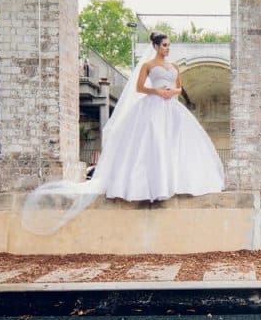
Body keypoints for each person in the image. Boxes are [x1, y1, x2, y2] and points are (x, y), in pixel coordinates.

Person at [23, 32, 225, 233]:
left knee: (173, 143)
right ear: (155, 46)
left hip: (171, 107)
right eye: (164, 45)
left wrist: (172, 92)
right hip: (153, 106)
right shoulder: (148, 66)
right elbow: (139, 87)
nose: (167, 48)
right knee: (153, 142)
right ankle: (151, 187)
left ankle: (173, 184)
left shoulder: (174, 67)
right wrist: (157, 92)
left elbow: (180, 88)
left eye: (169, 45)